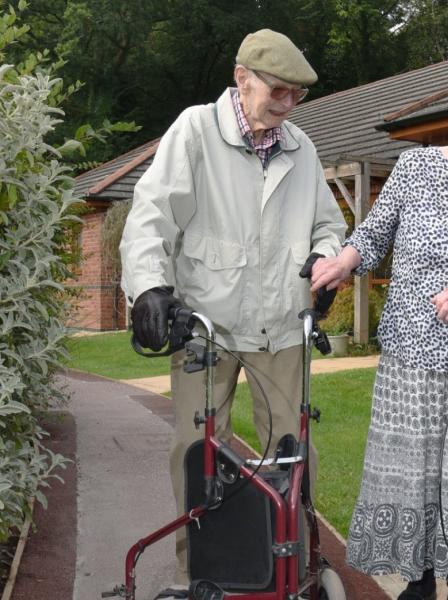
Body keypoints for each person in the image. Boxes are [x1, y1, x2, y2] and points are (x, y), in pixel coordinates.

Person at [119, 29, 347, 586]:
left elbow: (328, 224)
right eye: (279, 90)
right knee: (196, 453)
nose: (288, 104)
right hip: (206, 329)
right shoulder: (196, 131)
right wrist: (149, 287)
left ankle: (288, 566)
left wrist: (325, 257)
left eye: (297, 94)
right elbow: (151, 216)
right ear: (242, 78)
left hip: (280, 326)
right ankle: (197, 569)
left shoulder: (302, 146)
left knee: (294, 454)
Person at [308, 64, 448, 600]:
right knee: (411, 480)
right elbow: (373, 231)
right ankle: (416, 583)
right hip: (410, 357)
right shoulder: (414, 167)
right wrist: (343, 262)